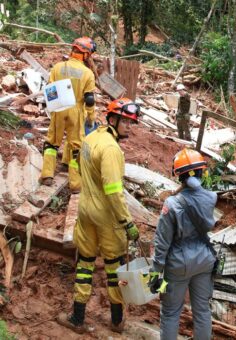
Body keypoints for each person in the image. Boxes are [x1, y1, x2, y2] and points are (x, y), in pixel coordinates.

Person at [56, 98, 141, 334]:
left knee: (85, 263)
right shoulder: (112, 150)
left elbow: (77, 165)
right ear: (113, 119)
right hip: (106, 217)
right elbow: (114, 192)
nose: (129, 127)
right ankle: (116, 320)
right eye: (125, 122)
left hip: (85, 211)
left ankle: (77, 317)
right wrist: (128, 222)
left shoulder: (91, 138)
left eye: (131, 123)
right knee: (114, 267)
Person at [149, 148, 217, 340]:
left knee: (170, 312)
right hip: (204, 259)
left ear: (179, 176)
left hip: (179, 263)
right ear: (202, 171)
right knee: (202, 311)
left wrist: (155, 272)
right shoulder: (210, 198)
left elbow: (162, 243)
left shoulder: (172, 204)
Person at [40, 36, 97, 192]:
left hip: (59, 108)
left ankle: (47, 175)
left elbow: (49, 89)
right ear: (85, 54)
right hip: (76, 110)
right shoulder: (87, 73)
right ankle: (76, 184)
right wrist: (91, 116)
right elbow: (89, 99)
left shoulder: (58, 67)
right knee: (76, 146)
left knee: (52, 143)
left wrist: (52, 108)